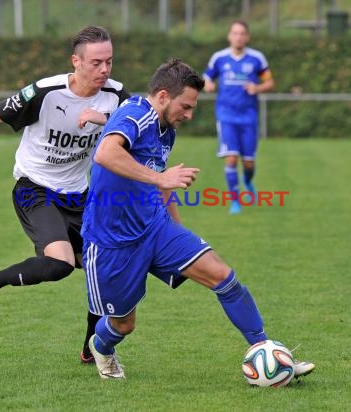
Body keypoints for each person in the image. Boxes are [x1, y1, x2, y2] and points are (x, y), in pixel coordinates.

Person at [81, 58, 314, 379]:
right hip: (112, 241)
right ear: (163, 96)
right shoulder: (137, 113)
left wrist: (177, 231)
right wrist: (160, 179)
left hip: (155, 228)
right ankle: (103, 347)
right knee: (124, 322)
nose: (189, 115)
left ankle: (269, 352)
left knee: (224, 276)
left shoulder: (167, 131)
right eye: (186, 106)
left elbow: (164, 181)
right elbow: (106, 154)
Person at [0, 25, 130, 364]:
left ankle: (91, 349)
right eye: (96, 63)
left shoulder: (115, 96)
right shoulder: (45, 92)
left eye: (109, 62)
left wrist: (105, 118)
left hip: (79, 197)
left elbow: (140, 126)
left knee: (105, 271)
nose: (104, 70)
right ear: (76, 62)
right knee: (60, 264)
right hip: (34, 188)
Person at [203, 20, 275, 214]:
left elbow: (269, 82)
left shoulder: (256, 58)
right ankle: (235, 201)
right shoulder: (219, 58)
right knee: (232, 159)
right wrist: (208, 84)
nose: (239, 37)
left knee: (249, 162)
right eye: (235, 33)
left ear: (247, 37)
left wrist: (257, 87)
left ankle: (249, 181)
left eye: (242, 33)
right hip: (226, 115)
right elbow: (206, 77)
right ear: (229, 36)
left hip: (249, 117)